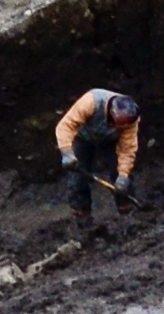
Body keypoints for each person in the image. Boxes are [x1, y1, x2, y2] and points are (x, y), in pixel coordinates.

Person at [54, 86, 142, 219]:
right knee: (77, 177)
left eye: (125, 125)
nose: (121, 127)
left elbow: (127, 149)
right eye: (119, 123)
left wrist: (123, 176)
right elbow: (65, 126)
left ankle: (128, 213)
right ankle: (81, 216)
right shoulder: (91, 101)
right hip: (83, 137)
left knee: (121, 177)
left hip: (111, 140)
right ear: (112, 113)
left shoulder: (131, 119)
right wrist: (67, 152)